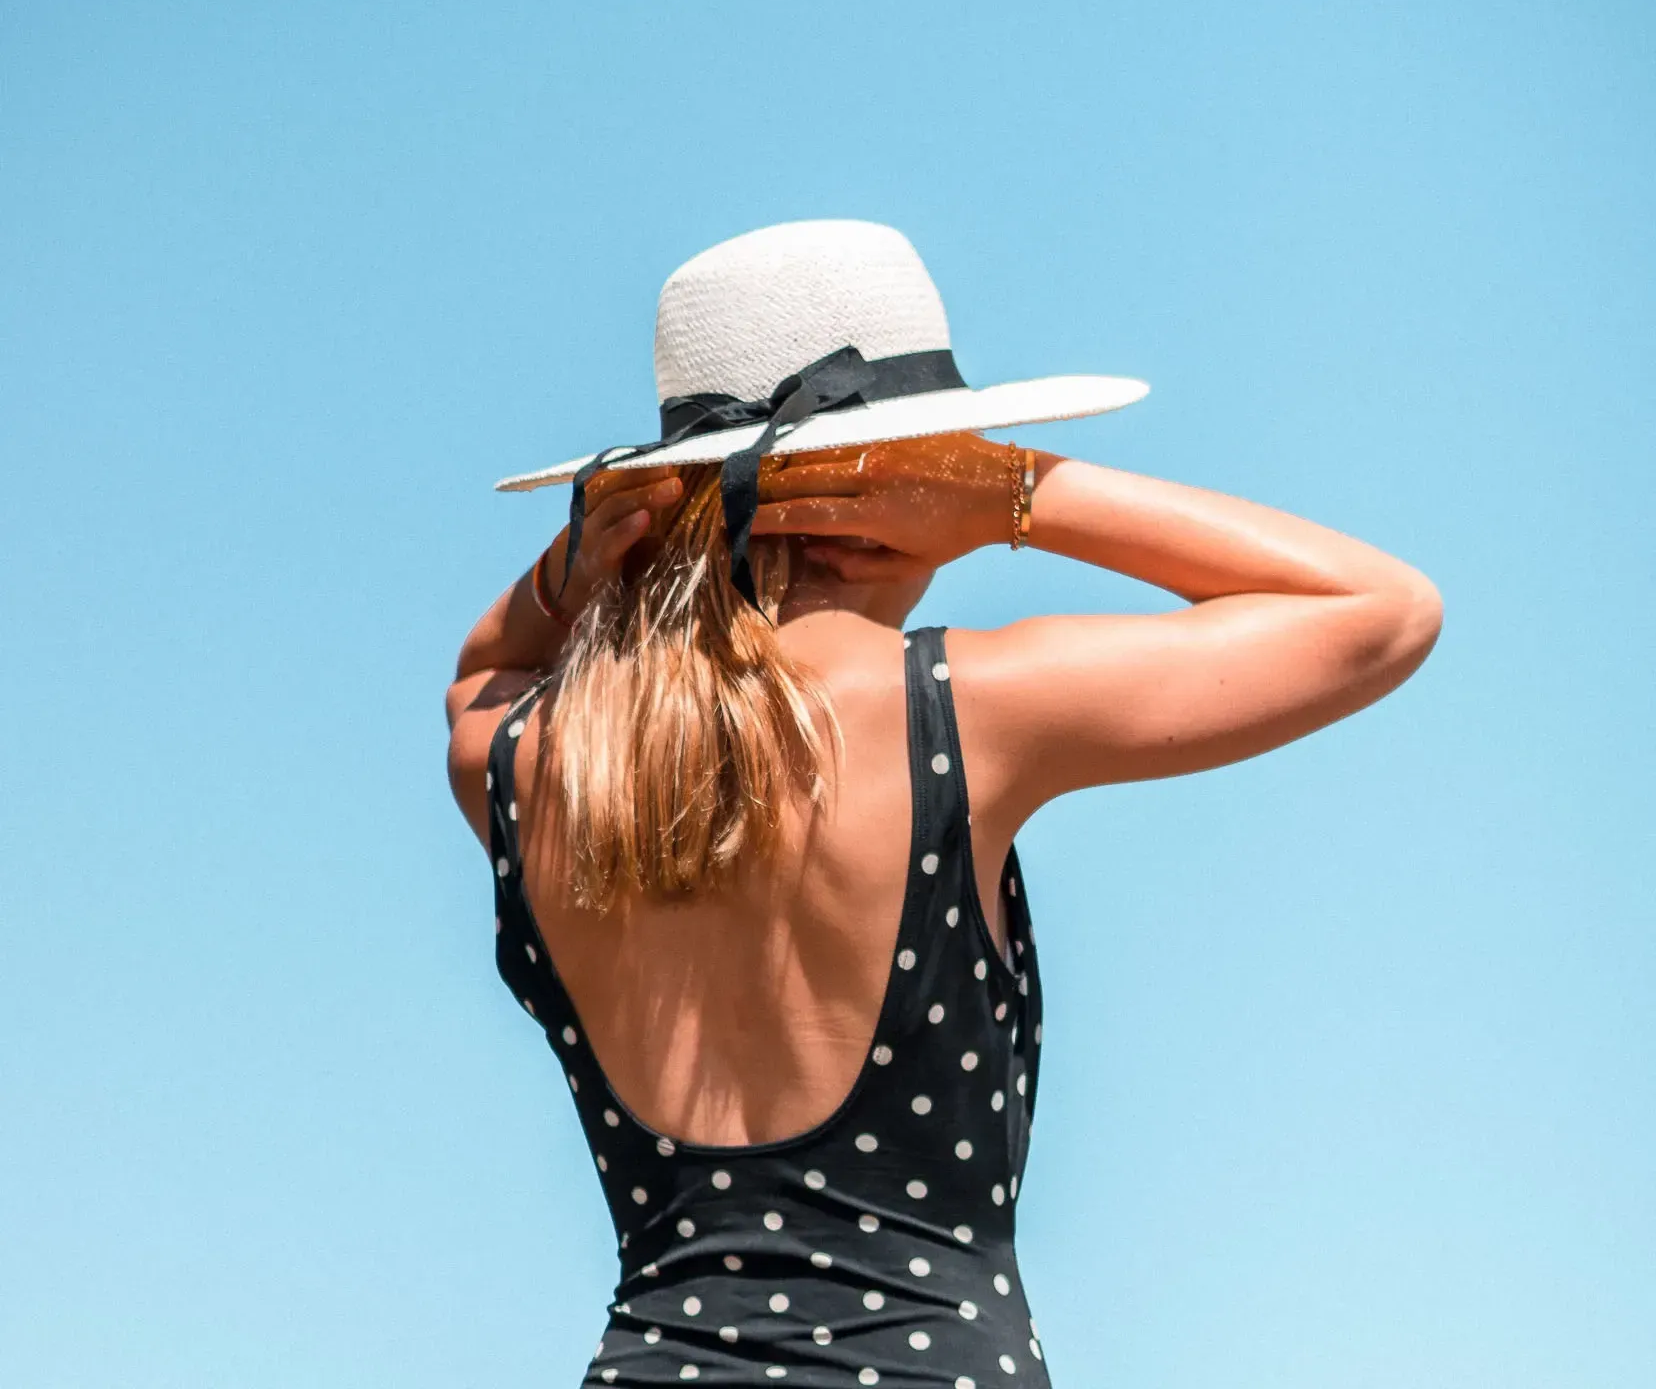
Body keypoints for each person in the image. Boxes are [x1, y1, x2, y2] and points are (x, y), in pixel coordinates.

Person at [445, 220, 1442, 1386]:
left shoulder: (535, 761)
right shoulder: (957, 710)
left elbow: (478, 675)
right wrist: (1011, 494)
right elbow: (1381, 609)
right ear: (903, 474)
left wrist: (578, 570)